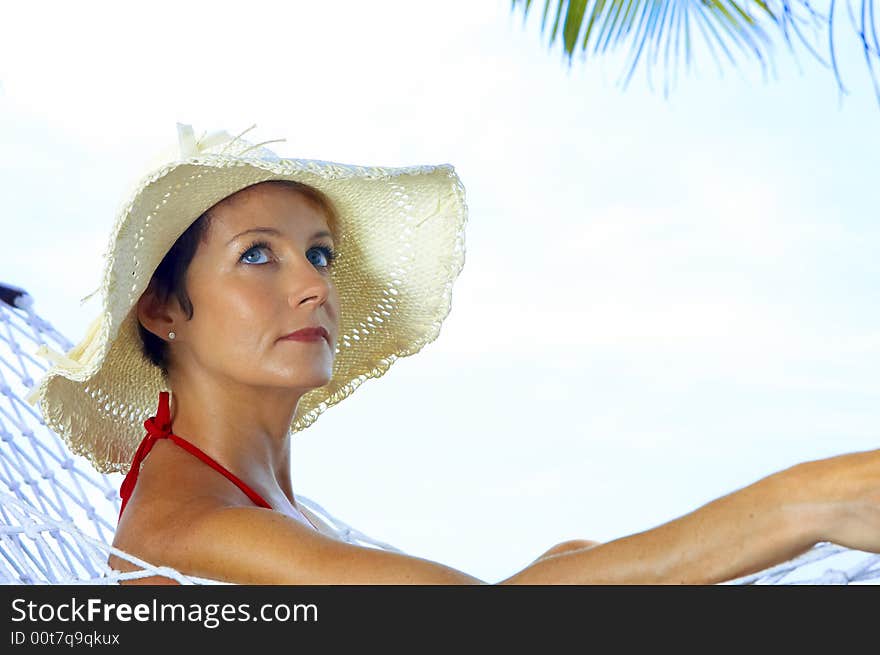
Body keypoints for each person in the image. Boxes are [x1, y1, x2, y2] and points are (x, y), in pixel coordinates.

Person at [26, 123, 880, 585]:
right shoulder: (188, 530)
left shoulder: (282, 514)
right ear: (165, 307)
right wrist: (802, 504)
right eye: (259, 254)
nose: (314, 286)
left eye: (319, 254)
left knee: (566, 556)